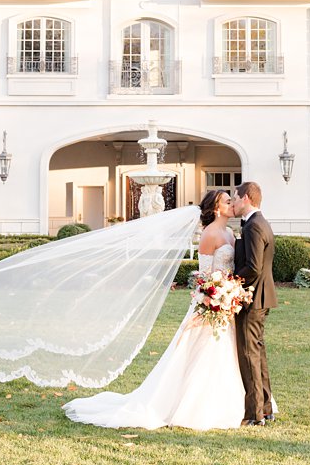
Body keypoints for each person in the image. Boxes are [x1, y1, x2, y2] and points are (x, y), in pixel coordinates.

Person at [61, 189, 247, 431]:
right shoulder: (209, 234)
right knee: (202, 352)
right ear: (215, 208)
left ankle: (230, 401)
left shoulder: (230, 232)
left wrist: (231, 292)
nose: (231, 203)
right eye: (227, 200)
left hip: (226, 303)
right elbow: (204, 276)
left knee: (226, 352)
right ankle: (194, 406)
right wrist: (212, 298)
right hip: (210, 303)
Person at [231, 180, 277, 425]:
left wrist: (230, 283)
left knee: (249, 355)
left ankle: (254, 414)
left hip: (252, 298)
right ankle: (266, 408)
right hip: (262, 296)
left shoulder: (253, 227)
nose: (234, 203)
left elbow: (254, 267)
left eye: (235, 198)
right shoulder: (260, 223)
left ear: (246, 198)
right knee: (258, 354)